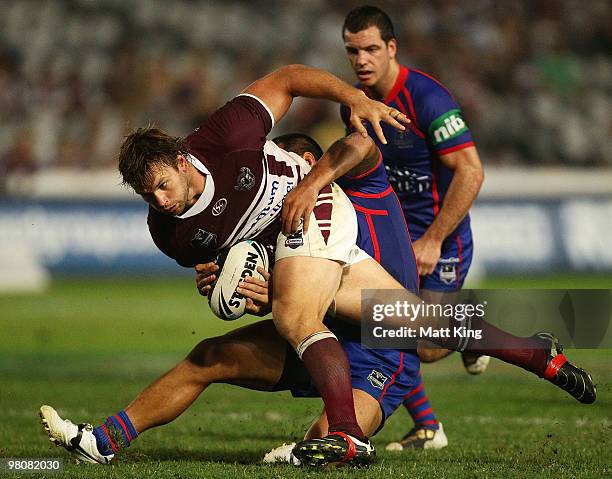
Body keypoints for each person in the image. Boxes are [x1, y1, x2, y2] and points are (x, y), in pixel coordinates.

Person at [39, 133, 445, 467]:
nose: (282, 185)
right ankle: (103, 442)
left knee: (322, 452)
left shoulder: (362, 194)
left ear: (306, 162)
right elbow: (300, 294)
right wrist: (246, 285)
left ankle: (403, 427)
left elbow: (359, 147)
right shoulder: (286, 227)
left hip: (381, 351)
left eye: (290, 168)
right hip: (322, 338)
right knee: (210, 355)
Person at [339, 5, 487, 448]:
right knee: (376, 325)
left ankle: (471, 326)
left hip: (441, 241)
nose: (361, 60)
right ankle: (428, 427)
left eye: (370, 49)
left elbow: (471, 172)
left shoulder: (427, 98)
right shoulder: (356, 106)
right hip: (396, 242)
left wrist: (435, 238)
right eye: (352, 51)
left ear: (391, 48)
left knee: (425, 345)